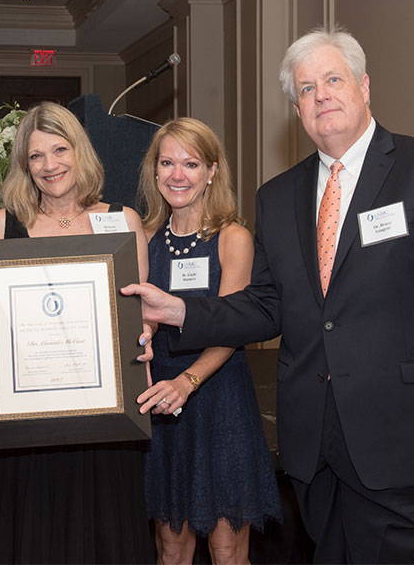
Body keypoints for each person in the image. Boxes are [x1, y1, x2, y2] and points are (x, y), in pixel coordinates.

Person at [122, 25, 414, 563]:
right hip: (315, 453)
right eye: (306, 88)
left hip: (407, 444)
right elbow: (266, 305)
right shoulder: (279, 196)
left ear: (365, 86)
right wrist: (180, 310)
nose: (321, 94)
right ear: (297, 108)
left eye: (333, 79)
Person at [0, 101, 153, 563]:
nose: (49, 165)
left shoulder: (122, 220)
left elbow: (141, 312)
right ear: (24, 164)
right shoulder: (4, 224)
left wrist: (143, 337)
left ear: (80, 151)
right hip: (25, 422)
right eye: (36, 156)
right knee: (30, 538)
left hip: (104, 415)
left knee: (101, 537)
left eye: (59, 149)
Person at [135, 117, 282, 563]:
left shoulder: (232, 238)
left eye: (191, 164)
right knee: (171, 547)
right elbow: (138, 319)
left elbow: (232, 326)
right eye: (167, 163)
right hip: (160, 401)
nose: (178, 174)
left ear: (212, 171)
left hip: (218, 401)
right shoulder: (141, 238)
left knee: (226, 549)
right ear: (154, 170)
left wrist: (187, 383)